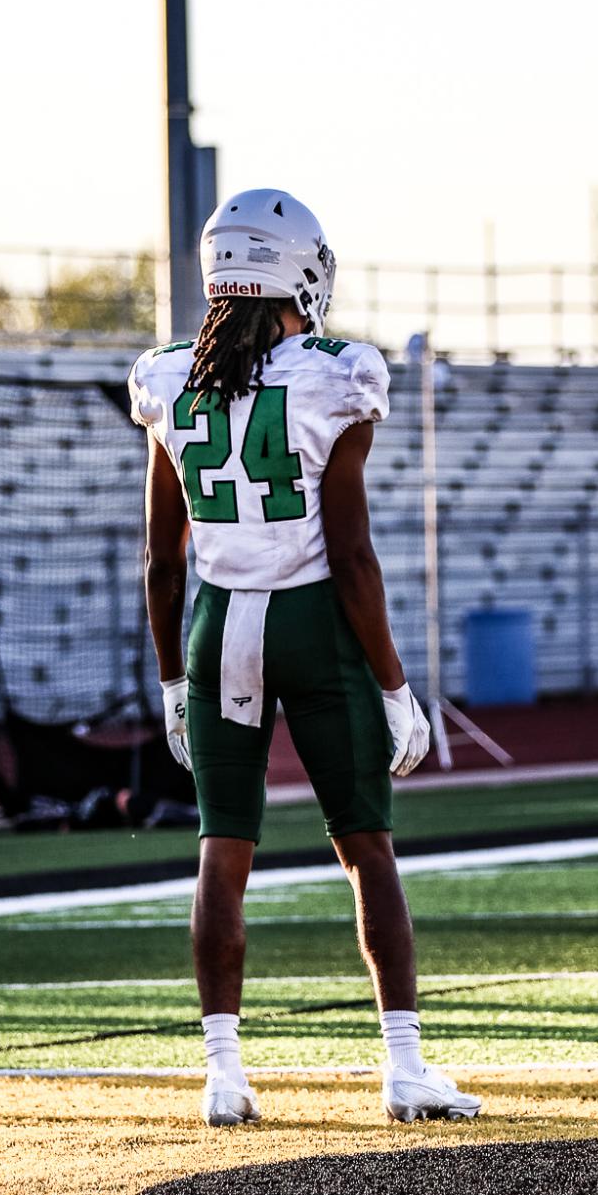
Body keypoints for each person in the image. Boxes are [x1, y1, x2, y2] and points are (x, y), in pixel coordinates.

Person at [130, 186, 478, 1129]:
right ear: (302, 273)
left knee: (223, 849)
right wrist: (398, 686)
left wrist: (171, 679)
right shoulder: (336, 373)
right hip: (315, 622)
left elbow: (163, 562)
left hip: (217, 627)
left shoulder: (170, 378)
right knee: (367, 847)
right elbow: (354, 553)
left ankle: (223, 1073)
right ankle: (403, 1064)